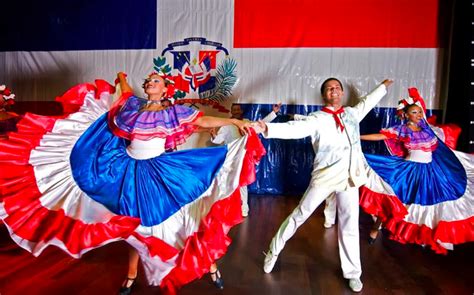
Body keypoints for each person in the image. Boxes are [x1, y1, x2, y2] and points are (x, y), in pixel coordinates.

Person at [0, 71, 265, 295]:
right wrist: (122, 78)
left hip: (158, 172)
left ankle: (207, 263)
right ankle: (131, 274)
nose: (150, 82)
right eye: (148, 80)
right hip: (125, 170)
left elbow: (203, 120)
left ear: (164, 89)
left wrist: (232, 120)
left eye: (155, 81)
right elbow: (124, 94)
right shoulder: (133, 106)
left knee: (175, 222)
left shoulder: (173, 113)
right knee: (131, 224)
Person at [253, 77, 393, 293]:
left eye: (337, 88)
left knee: (349, 224)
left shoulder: (352, 114)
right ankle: (273, 250)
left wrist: (383, 86)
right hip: (325, 177)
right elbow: (293, 129)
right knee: (300, 214)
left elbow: (367, 102)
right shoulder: (317, 118)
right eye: (329, 88)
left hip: (349, 178)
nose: (334, 91)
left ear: (342, 93)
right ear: (324, 95)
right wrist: (267, 129)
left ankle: (353, 273)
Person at [359, 88, 474, 254]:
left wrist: (416, 97)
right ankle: (376, 228)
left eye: (420, 112)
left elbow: (424, 113)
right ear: (406, 115)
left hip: (429, 172)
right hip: (409, 171)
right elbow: (381, 136)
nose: (419, 114)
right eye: (414, 112)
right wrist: (358, 137)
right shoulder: (402, 129)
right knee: (397, 203)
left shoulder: (426, 129)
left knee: (429, 205)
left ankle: (427, 235)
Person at [210, 102, 281, 216]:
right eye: (235, 110)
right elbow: (219, 140)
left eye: (238, 109)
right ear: (231, 111)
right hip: (230, 158)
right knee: (227, 183)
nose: (237, 111)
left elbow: (261, 125)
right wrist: (213, 135)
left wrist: (273, 113)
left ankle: (243, 209)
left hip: (243, 158)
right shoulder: (226, 125)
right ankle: (227, 209)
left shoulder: (247, 122)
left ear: (241, 111)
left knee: (242, 184)